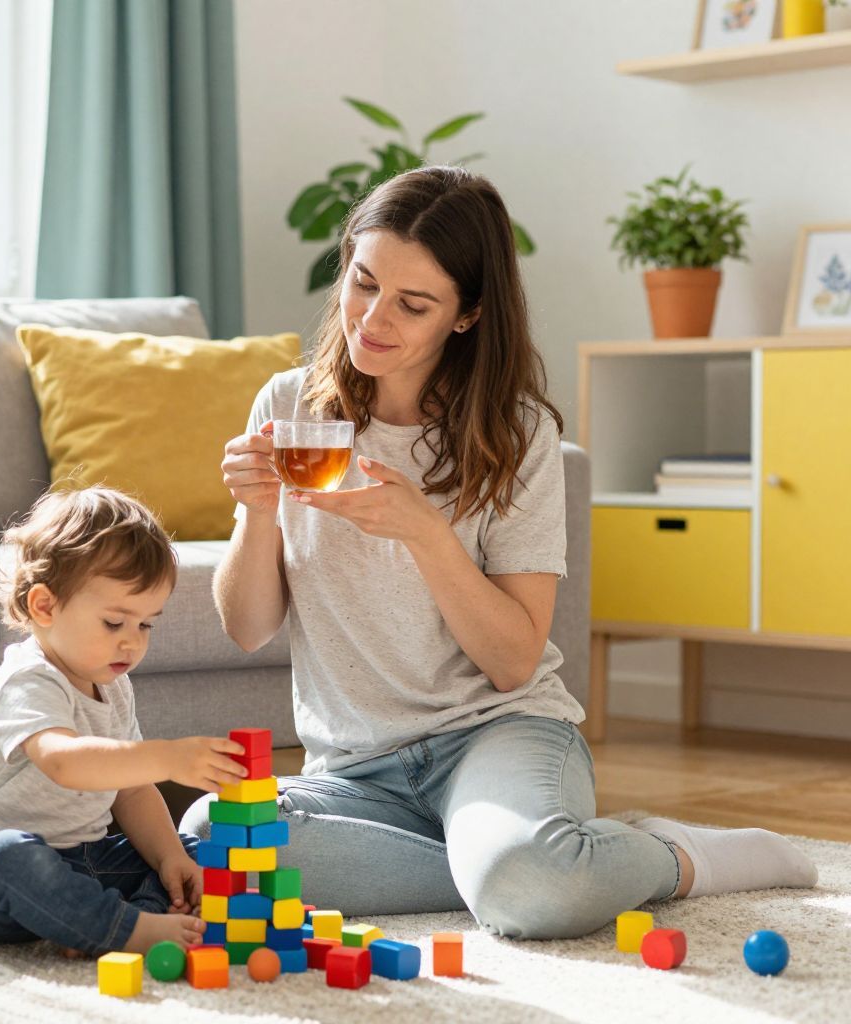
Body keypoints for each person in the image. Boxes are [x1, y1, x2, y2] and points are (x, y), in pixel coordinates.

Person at [183, 166, 817, 939]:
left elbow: (515, 662)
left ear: (467, 315)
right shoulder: (289, 407)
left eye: (413, 304)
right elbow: (246, 628)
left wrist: (425, 532)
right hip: (353, 773)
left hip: (496, 735)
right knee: (214, 842)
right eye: (363, 282)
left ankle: (666, 855)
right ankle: (519, 859)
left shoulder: (517, 436)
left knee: (528, 890)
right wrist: (255, 513)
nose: (373, 318)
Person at [0, 486, 248, 956]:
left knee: (195, 854)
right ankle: (125, 927)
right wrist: (168, 757)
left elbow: (131, 790)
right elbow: (65, 763)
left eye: (146, 624)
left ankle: (103, 918)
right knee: (4, 856)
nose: (132, 643)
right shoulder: (27, 680)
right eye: (115, 623)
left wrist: (171, 856)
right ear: (45, 607)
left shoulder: (111, 683)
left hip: (86, 861)